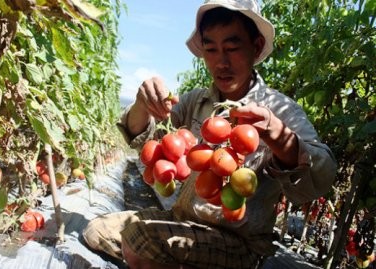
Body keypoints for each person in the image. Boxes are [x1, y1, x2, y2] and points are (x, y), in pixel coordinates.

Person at [83, 0, 337, 268]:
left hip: (237, 242)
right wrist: (142, 104)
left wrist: (279, 136)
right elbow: (144, 141)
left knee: (138, 240)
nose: (221, 62)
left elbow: (322, 174)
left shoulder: (280, 110)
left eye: (232, 47)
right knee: (97, 230)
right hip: (182, 221)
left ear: (257, 46)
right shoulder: (195, 101)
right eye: (211, 49)